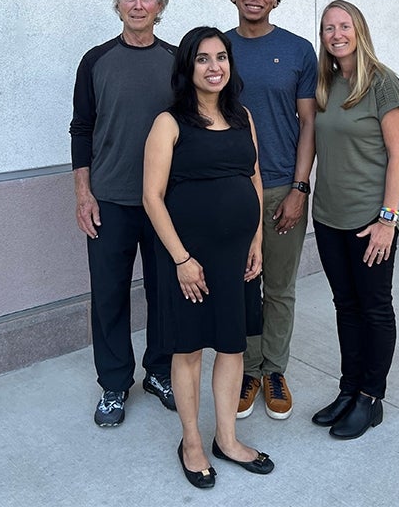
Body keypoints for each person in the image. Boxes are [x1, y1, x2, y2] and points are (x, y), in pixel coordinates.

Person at [143, 26, 274, 489]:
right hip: (189, 260)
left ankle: (228, 439)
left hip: (237, 254)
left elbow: (254, 178)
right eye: (203, 58)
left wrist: (256, 240)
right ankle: (192, 442)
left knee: (232, 345)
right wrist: (181, 259)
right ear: (188, 67)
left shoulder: (243, 117)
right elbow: (152, 197)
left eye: (222, 57)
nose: (214, 66)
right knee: (190, 348)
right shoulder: (169, 122)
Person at [69, 0, 177, 427]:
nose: (138, 5)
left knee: (166, 293)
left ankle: (159, 371)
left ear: (160, 6)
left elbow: (191, 130)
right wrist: (83, 193)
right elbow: (82, 129)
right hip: (109, 201)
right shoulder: (96, 61)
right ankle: (114, 383)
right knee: (109, 295)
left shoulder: (178, 62)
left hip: (166, 204)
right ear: (117, 3)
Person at [311, 0, 399, 440]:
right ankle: (348, 388)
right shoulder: (327, 83)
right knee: (345, 307)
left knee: (374, 308)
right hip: (329, 219)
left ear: (359, 30)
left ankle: (371, 398)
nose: (336, 34)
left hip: (370, 221)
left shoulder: (384, 84)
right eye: (328, 27)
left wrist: (388, 219)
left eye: (344, 25)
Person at [225, 0, 317, 420]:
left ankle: (274, 370)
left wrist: (300, 187)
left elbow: (308, 123)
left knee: (278, 287)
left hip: (282, 187)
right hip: (232, 191)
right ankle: (247, 369)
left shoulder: (300, 50)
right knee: (242, 286)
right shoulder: (215, 48)